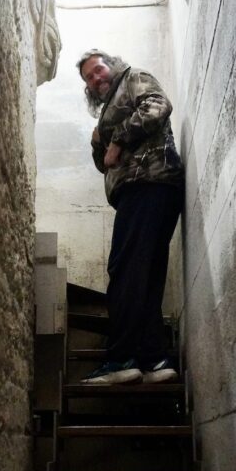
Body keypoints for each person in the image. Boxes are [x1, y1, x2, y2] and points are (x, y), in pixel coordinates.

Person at [77, 49, 184, 385]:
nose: (96, 78)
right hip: (153, 187)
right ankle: (155, 359)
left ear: (111, 64)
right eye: (89, 78)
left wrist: (118, 137)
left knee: (123, 270)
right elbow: (106, 164)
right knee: (146, 273)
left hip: (146, 183)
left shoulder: (133, 78)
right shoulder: (108, 111)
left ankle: (122, 357)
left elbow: (158, 105)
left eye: (98, 69)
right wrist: (99, 142)